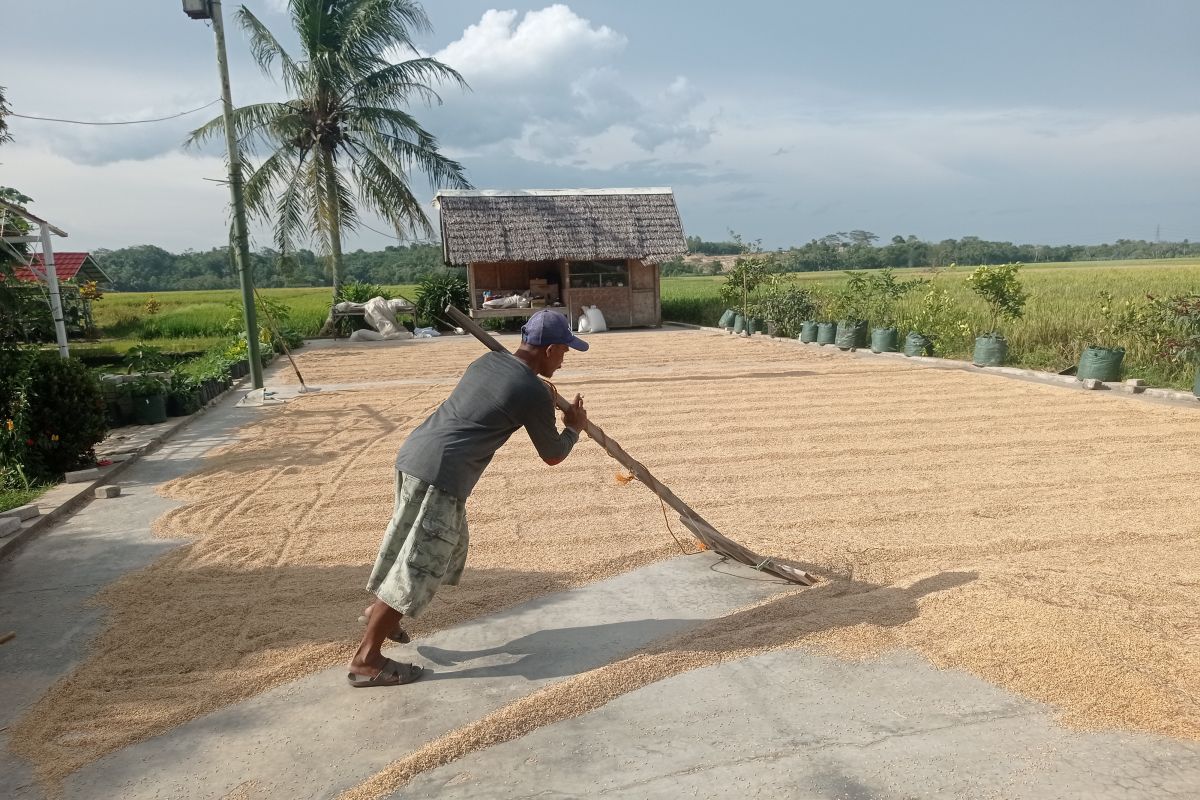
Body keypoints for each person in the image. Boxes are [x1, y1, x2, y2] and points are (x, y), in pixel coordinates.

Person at [347, 309, 590, 687]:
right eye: (565, 352)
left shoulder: (490, 360)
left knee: (444, 549)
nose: (564, 359)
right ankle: (367, 658)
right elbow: (553, 454)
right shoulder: (531, 391)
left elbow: (507, 393)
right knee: (420, 564)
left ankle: (378, 612)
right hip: (441, 475)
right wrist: (573, 428)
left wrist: (546, 396)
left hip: (416, 455)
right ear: (551, 348)